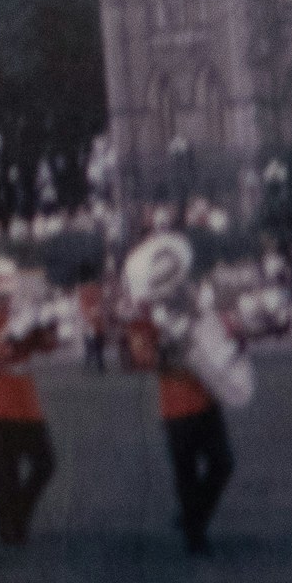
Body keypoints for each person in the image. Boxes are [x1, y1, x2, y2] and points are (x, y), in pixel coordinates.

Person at [116, 231, 240, 553]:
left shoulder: (193, 301)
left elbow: (217, 333)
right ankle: (195, 534)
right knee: (186, 471)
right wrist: (170, 347)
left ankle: (192, 517)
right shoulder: (146, 312)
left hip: (208, 393)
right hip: (176, 403)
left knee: (222, 464)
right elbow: (138, 358)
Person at [0, 257, 63, 547]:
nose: (1, 300)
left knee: (45, 464)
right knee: (5, 472)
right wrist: (15, 332)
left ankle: (18, 516)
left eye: (5, 294)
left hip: (26, 401)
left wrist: (47, 323)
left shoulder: (20, 316)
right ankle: (9, 529)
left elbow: (50, 346)